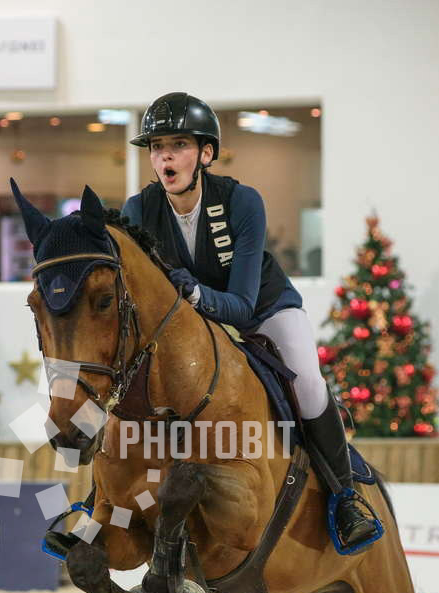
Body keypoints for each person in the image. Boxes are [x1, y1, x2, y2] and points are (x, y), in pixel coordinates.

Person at [121, 91, 379, 552]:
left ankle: (346, 498)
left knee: (308, 383)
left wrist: (196, 293)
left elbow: (241, 305)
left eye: (178, 145)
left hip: (264, 310)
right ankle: (98, 502)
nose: (165, 157)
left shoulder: (241, 201)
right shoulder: (138, 210)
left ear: (206, 154)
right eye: (157, 147)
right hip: (190, 327)